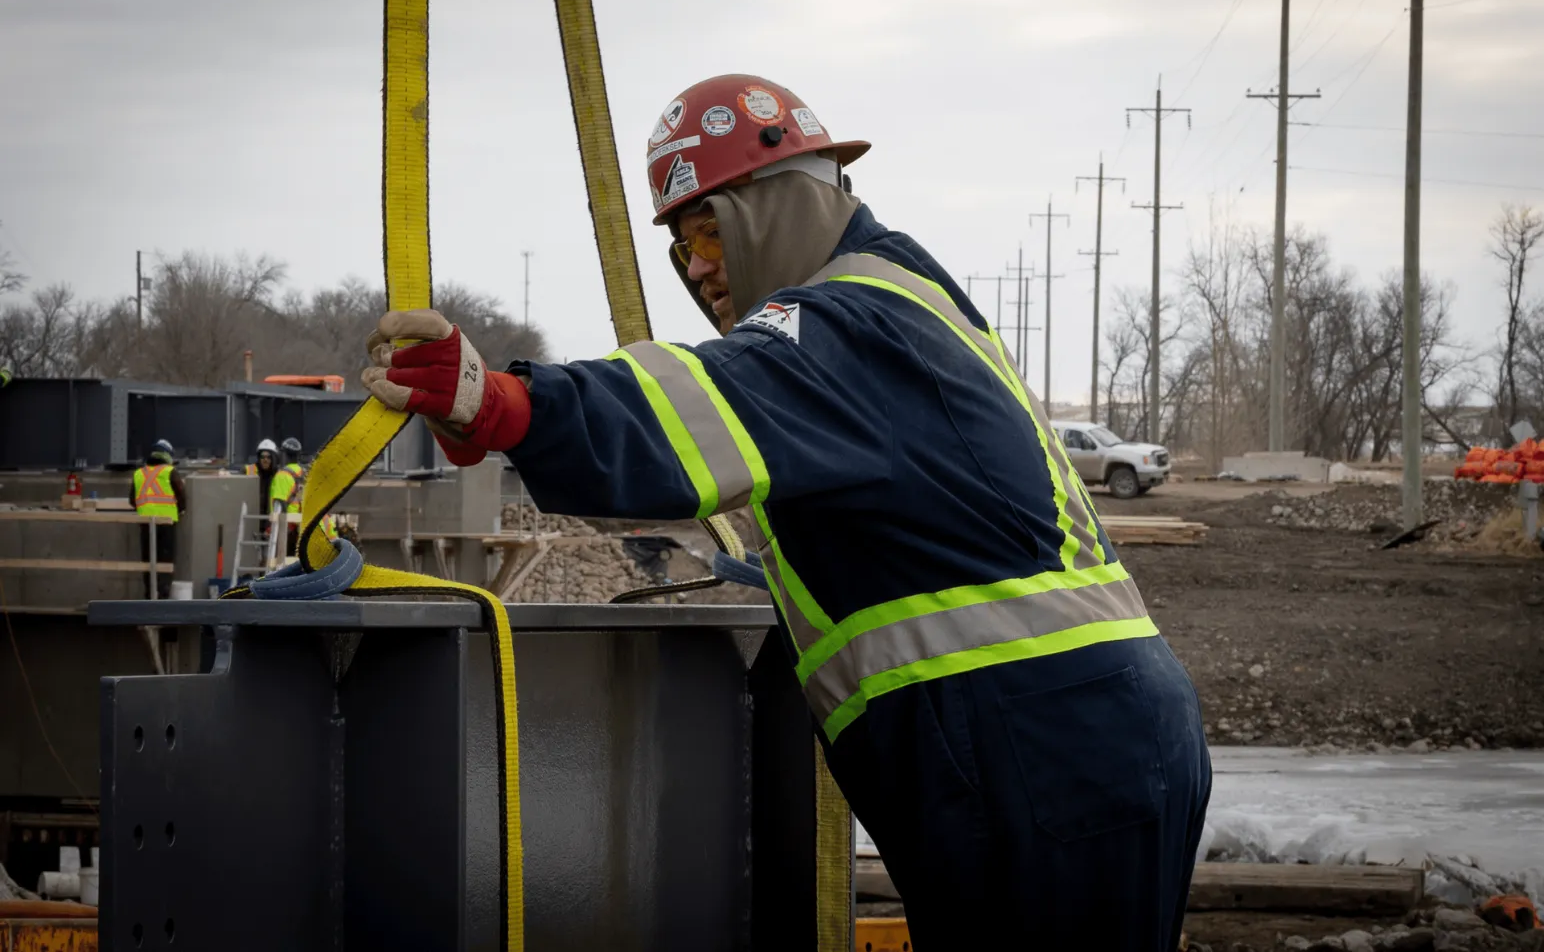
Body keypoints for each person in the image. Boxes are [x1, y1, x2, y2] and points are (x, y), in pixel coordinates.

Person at [360, 74, 1211, 949]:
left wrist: (501, 403)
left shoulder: (850, 321)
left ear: (777, 203)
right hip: (1066, 735)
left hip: (1044, 748)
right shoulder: (895, 304)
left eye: (706, 227)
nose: (696, 266)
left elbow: (683, 409)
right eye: (681, 243)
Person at [130, 438, 185, 599]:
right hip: (167, 523)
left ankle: (149, 596)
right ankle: (163, 598)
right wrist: (179, 510)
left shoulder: (139, 473)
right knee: (165, 562)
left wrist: (147, 507)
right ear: (168, 455)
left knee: (148, 562)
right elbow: (181, 496)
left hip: (145, 523)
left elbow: (132, 500)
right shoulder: (170, 471)